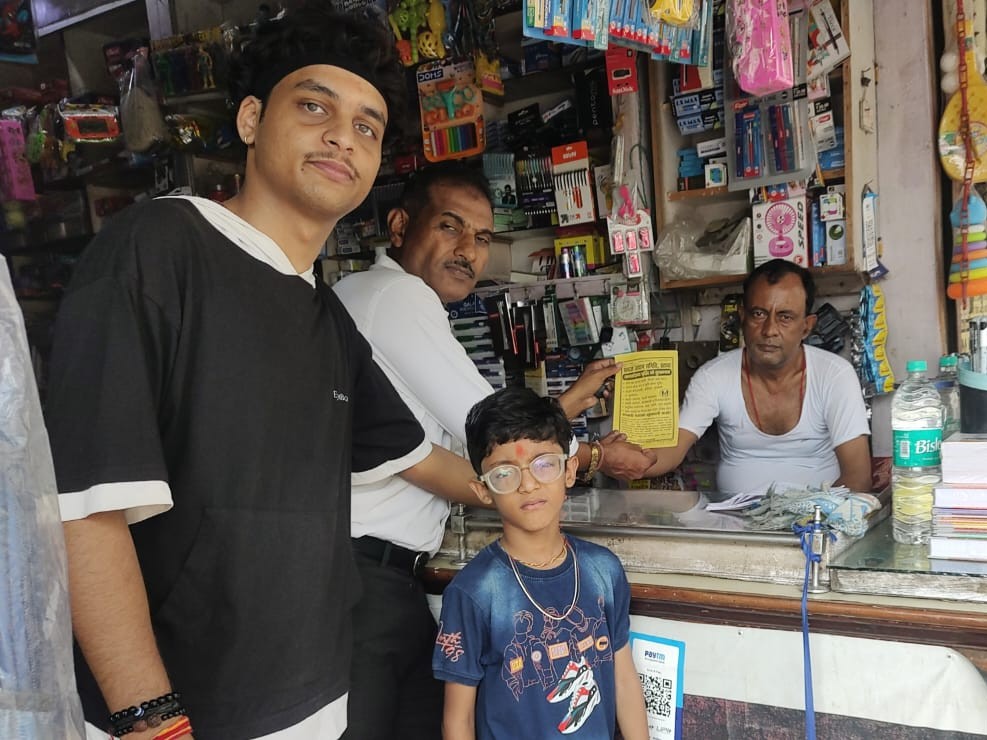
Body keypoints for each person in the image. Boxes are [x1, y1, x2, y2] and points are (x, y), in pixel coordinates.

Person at [45, 8, 478, 740]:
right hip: (181, 715)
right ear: (251, 119)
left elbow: (414, 455)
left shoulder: (323, 313)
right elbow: (86, 508)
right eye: (314, 107)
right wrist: (151, 719)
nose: (342, 137)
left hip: (313, 705)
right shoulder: (158, 248)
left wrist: (532, 480)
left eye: (367, 126)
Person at [332, 162, 657, 739]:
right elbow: (488, 429)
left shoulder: (357, 291)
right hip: (365, 576)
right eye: (450, 227)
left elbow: (496, 435)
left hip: (365, 571)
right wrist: (592, 457)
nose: (468, 250)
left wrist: (565, 410)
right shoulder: (397, 296)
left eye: (482, 238)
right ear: (401, 225)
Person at [433, 386, 649, 739]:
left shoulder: (603, 571)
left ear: (569, 471)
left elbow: (623, 680)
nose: (529, 484)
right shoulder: (475, 592)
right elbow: (458, 720)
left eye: (544, 464)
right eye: (505, 473)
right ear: (483, 490)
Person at [644, 258, 872, 494]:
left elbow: (858, 478)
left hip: (817, 515)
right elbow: (672, 450)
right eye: (759, 314)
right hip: (734, 515)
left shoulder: (835, 376)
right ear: (742, 317)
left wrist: (815, 513)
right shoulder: (713, 377)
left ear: (806, 326)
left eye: (785, 317)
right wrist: (627, 459)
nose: (769, 330)